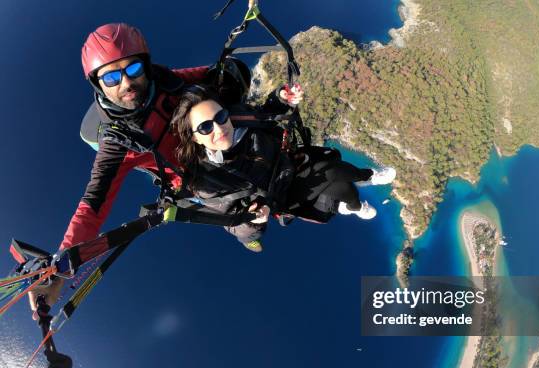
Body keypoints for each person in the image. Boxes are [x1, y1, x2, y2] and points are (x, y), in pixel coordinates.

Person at [26, 23, 260, 312]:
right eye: (111, 77)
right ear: (97, 85)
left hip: (206, 139)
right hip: (190, 175)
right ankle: (249, 234)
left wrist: (227, 72)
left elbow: (202, 75)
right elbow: (94, 202)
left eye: (132, 69)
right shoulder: (117, 142)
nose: (125, 83)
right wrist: (61, 268)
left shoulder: (165, 81)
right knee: (240, 213)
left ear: (146, 67)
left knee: (253, 141)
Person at [170, 85, 396, 252]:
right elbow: (232, 224)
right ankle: (368, 176)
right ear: (195, 139)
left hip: (290, 166)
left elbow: (265, 114)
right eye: (206, 127)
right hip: (280, 197)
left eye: (220, 116)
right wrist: (253, 221)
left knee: (344, 188)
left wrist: (281, 97)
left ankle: (355, 204)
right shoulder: (208, 181)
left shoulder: (240, 119)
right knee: (332, 172)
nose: (219, 128)